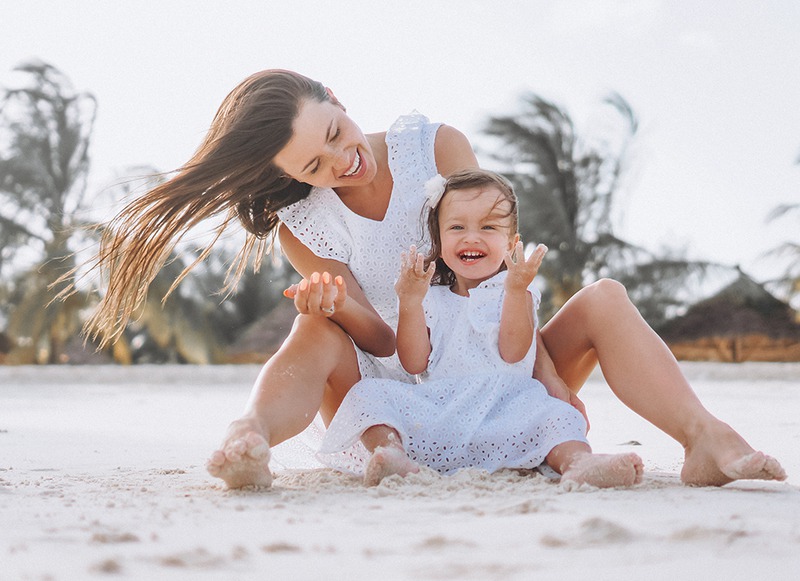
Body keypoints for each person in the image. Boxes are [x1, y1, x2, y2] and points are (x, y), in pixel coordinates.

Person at [78, 69, 785, 489]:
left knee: (604, 296)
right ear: (290, 181)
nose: (339, 164)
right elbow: (382, 338)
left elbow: (496, 268)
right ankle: (249, 436)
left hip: (492, 365)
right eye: (313, 167)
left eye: (334, 135)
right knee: (313, 321)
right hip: (394, 394)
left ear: (336, 96)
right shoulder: (304, 223)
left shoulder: (434, 146)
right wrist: (339, 307)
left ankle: (704, 437)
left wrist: (548, 377)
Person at [319, 169, 644, 488]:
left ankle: (579, 463)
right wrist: (410, 303)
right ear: (441, 240)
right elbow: (413, 364)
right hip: (441, 412)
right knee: (369, 392)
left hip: (508, 411)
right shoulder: (430, 297)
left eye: (488, 227)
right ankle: (391, 454)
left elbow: (514, 352)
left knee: (556, 416)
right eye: (457, 226)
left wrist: (516, 292)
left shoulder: (516, 292)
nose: (471, 236)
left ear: (511, 242)